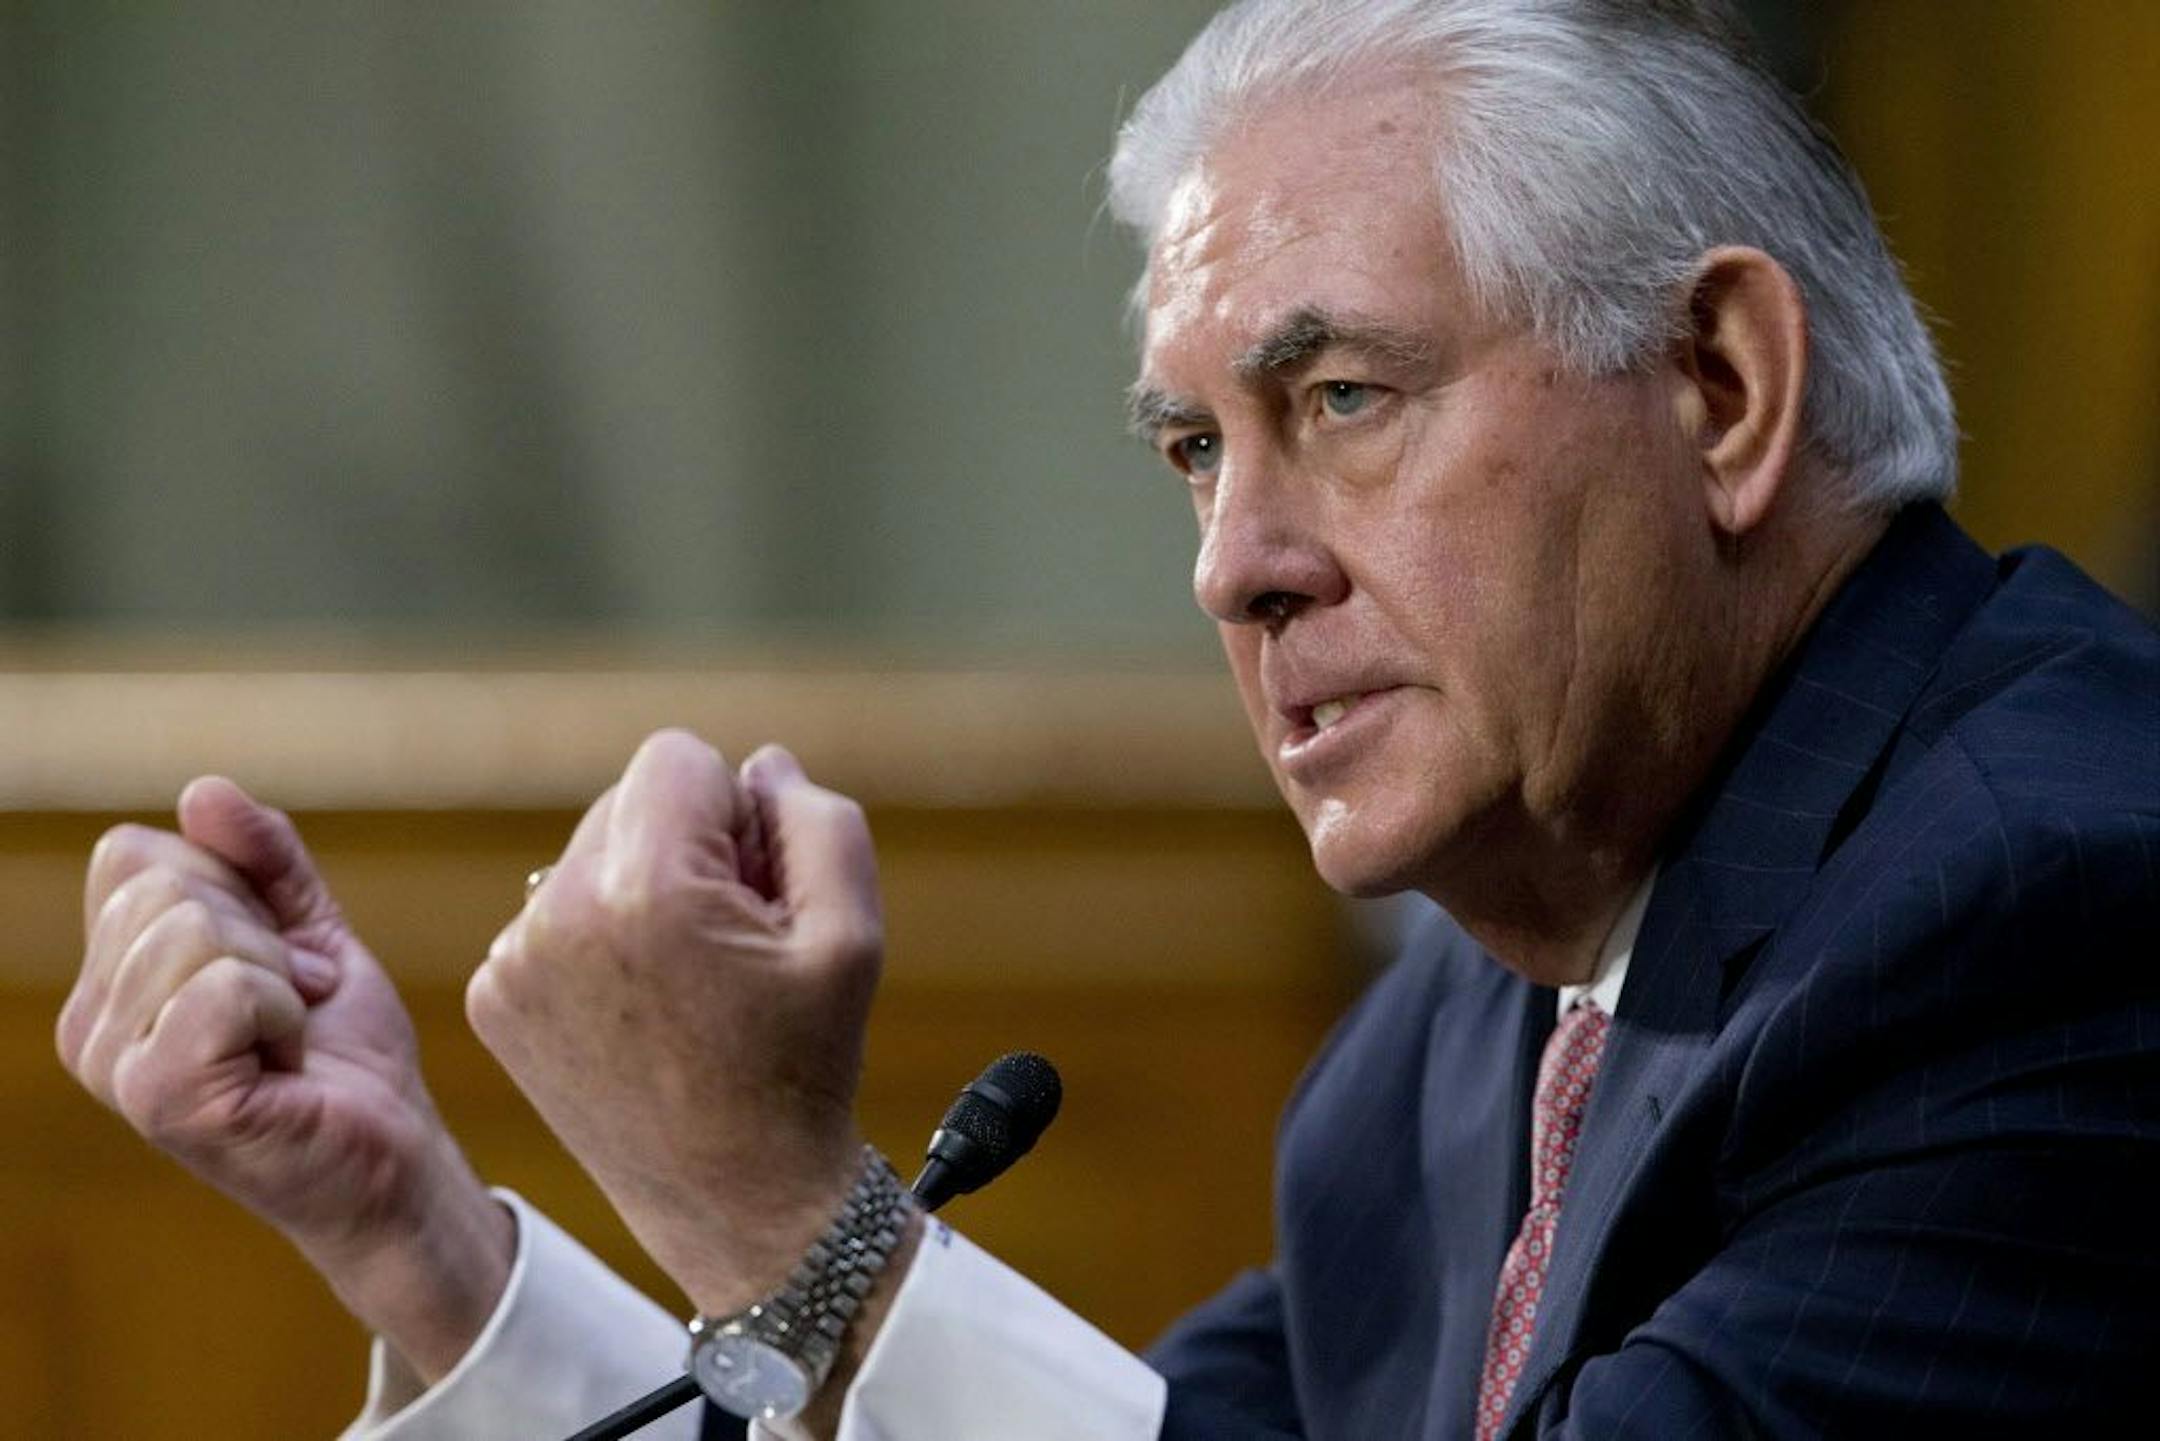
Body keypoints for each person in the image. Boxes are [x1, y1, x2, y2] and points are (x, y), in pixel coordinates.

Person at [56, 1, 2160, 1437]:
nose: (1237, 564)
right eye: (1195, 450)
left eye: (1345, 399)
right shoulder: (1481, 1016)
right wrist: (428, 1251)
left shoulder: (2047, 918)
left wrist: (788, 1219)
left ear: (1719, 386)